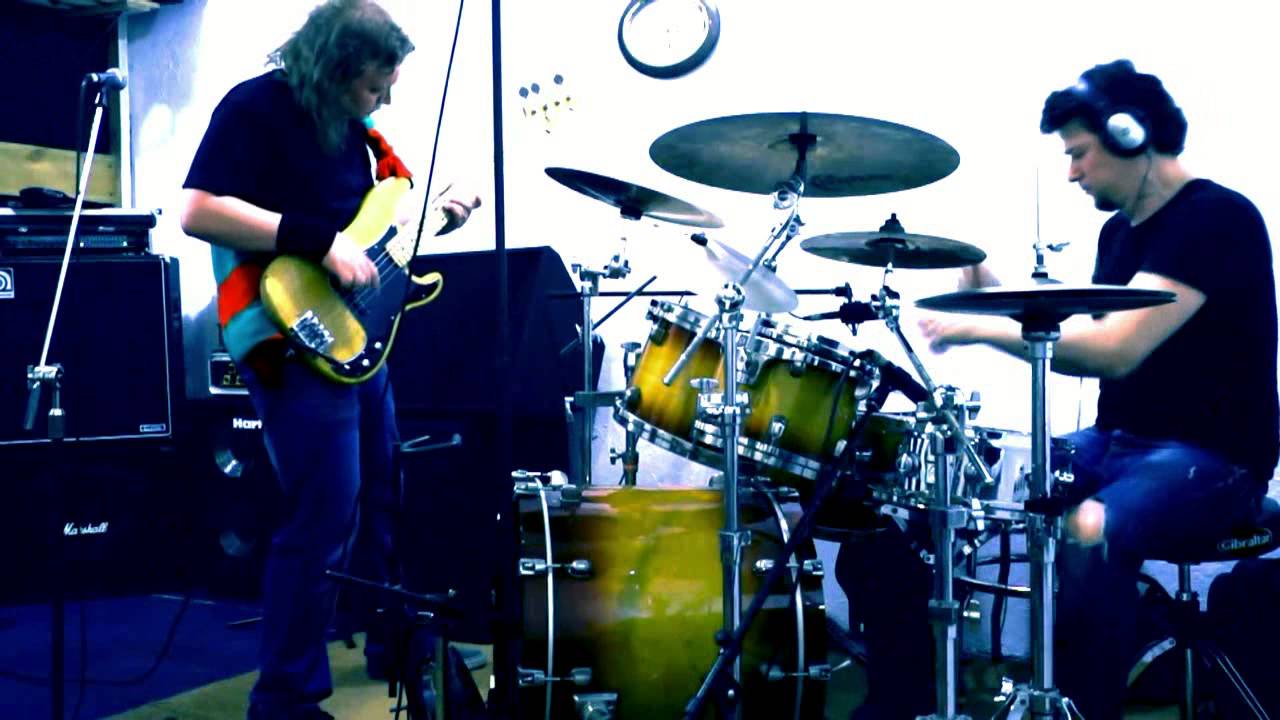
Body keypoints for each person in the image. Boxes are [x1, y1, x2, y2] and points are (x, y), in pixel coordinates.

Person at [837, 59, 1278, 720]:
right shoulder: (1119, 232)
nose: (1071, 172)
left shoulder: (1217, 219)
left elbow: (1114, 349)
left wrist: (978, 329)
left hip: (1218, 463)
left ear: (1131, 135)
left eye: (1079, 153)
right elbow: (1081, 326)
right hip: (1118, 443)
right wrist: (989, 288)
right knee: (967, 476)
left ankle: (1079, 706)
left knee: (1090, 527)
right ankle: (917, 691)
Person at [179, 2, 480, 718]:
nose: (383, 101)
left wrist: (443, 214)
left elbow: (368, 237)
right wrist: (317, 241)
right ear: (334, 66)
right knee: (323, 515)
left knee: (383, 496)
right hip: (287, 335)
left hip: (357, 338)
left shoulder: (353, 133)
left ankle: (392, 642)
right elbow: (197, 211)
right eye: (374, 86)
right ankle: (283, 698)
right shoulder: (256, 107)